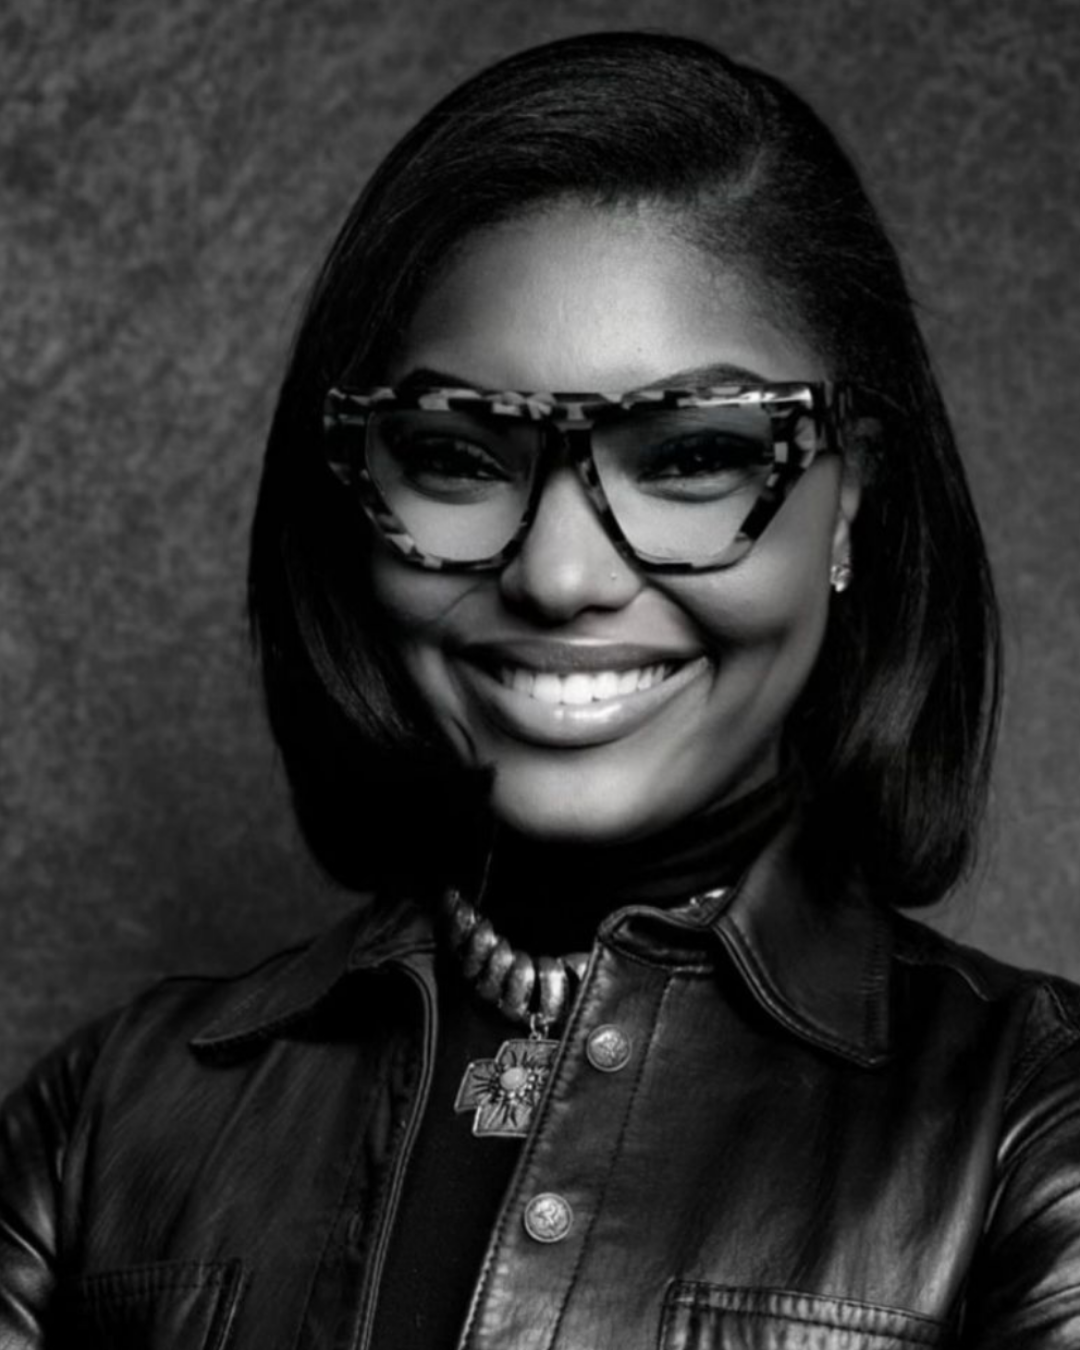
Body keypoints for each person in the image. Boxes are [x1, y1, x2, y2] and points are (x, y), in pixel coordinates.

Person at [2, 28, 1078, 1349]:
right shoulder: (105, 1125)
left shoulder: (1033, 1128)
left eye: (691, 456)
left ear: (849, 495)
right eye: (458, 457)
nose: (560, 576)